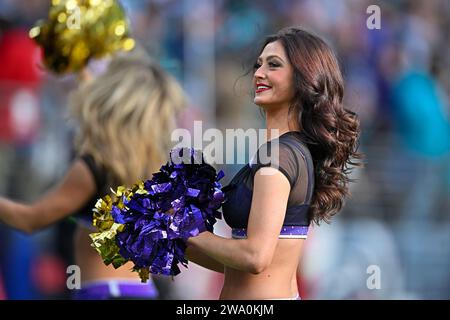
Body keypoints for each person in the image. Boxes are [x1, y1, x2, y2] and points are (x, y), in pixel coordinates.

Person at [185, 27, 363, 300]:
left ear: (304, 77)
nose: (258, 73)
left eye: (274, 65)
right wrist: (168, 240)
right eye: (258, 65)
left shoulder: (279, 155)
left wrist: (182, 228)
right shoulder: (292, 151)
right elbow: (240, 265)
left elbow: (255, 257)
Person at [0, 49, 185, 299]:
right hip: (143, 290)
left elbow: (30, 219)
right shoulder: (157, 168)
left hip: (103, 291)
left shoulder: (93, 168)